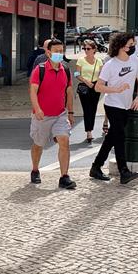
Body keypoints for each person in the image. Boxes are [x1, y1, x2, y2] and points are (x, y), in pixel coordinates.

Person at [90, 33, 138, 185]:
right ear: (121, 46)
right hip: (113, 104)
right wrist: (116, 89)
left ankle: (96, 167)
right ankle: (124, 172)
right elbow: (98, 87)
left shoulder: (135, 60)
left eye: (133, 45)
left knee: (112, 137)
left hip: (127, 105)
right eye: (130, 45)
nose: (132, 48)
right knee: (119, 137)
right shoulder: (110, 65)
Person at [29, 39, 76, 189]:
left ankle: (64, 177)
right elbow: (33, 91)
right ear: (48, 52)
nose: (59, 54)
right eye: (56, 51)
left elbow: (69, 92)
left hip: (60, 114)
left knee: (64, 141)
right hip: (42, 115)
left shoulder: (66, 70)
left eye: (61, 51)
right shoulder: (40, 70)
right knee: (38, 144)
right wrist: (37, 109)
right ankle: (35, 170)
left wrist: (70, 112)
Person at [75, 39, 103, 142]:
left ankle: (90, 128)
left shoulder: (99, 61)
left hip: (96, 86)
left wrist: (99, 83)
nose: (86, 50)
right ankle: (89, 132)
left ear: (94, 49)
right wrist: (86, 82)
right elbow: (76, 74)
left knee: (93, 109)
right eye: (84, 48)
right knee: (87, 109)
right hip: (85, 86)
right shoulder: (81, 60)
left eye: (88, 48)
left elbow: (101, 75)